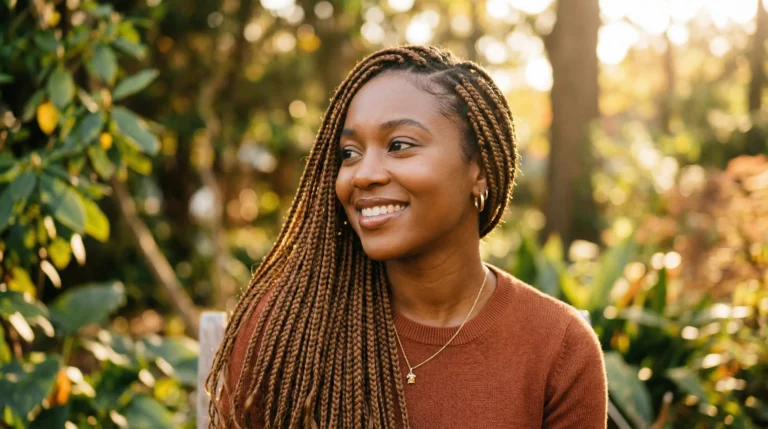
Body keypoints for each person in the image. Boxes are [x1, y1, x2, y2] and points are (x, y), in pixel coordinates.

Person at [206, 45, 607, 429]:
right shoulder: (286, 331)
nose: (363, 174)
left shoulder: (558, 347)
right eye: (349, 153)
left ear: (479, 169)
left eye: (399, 145)